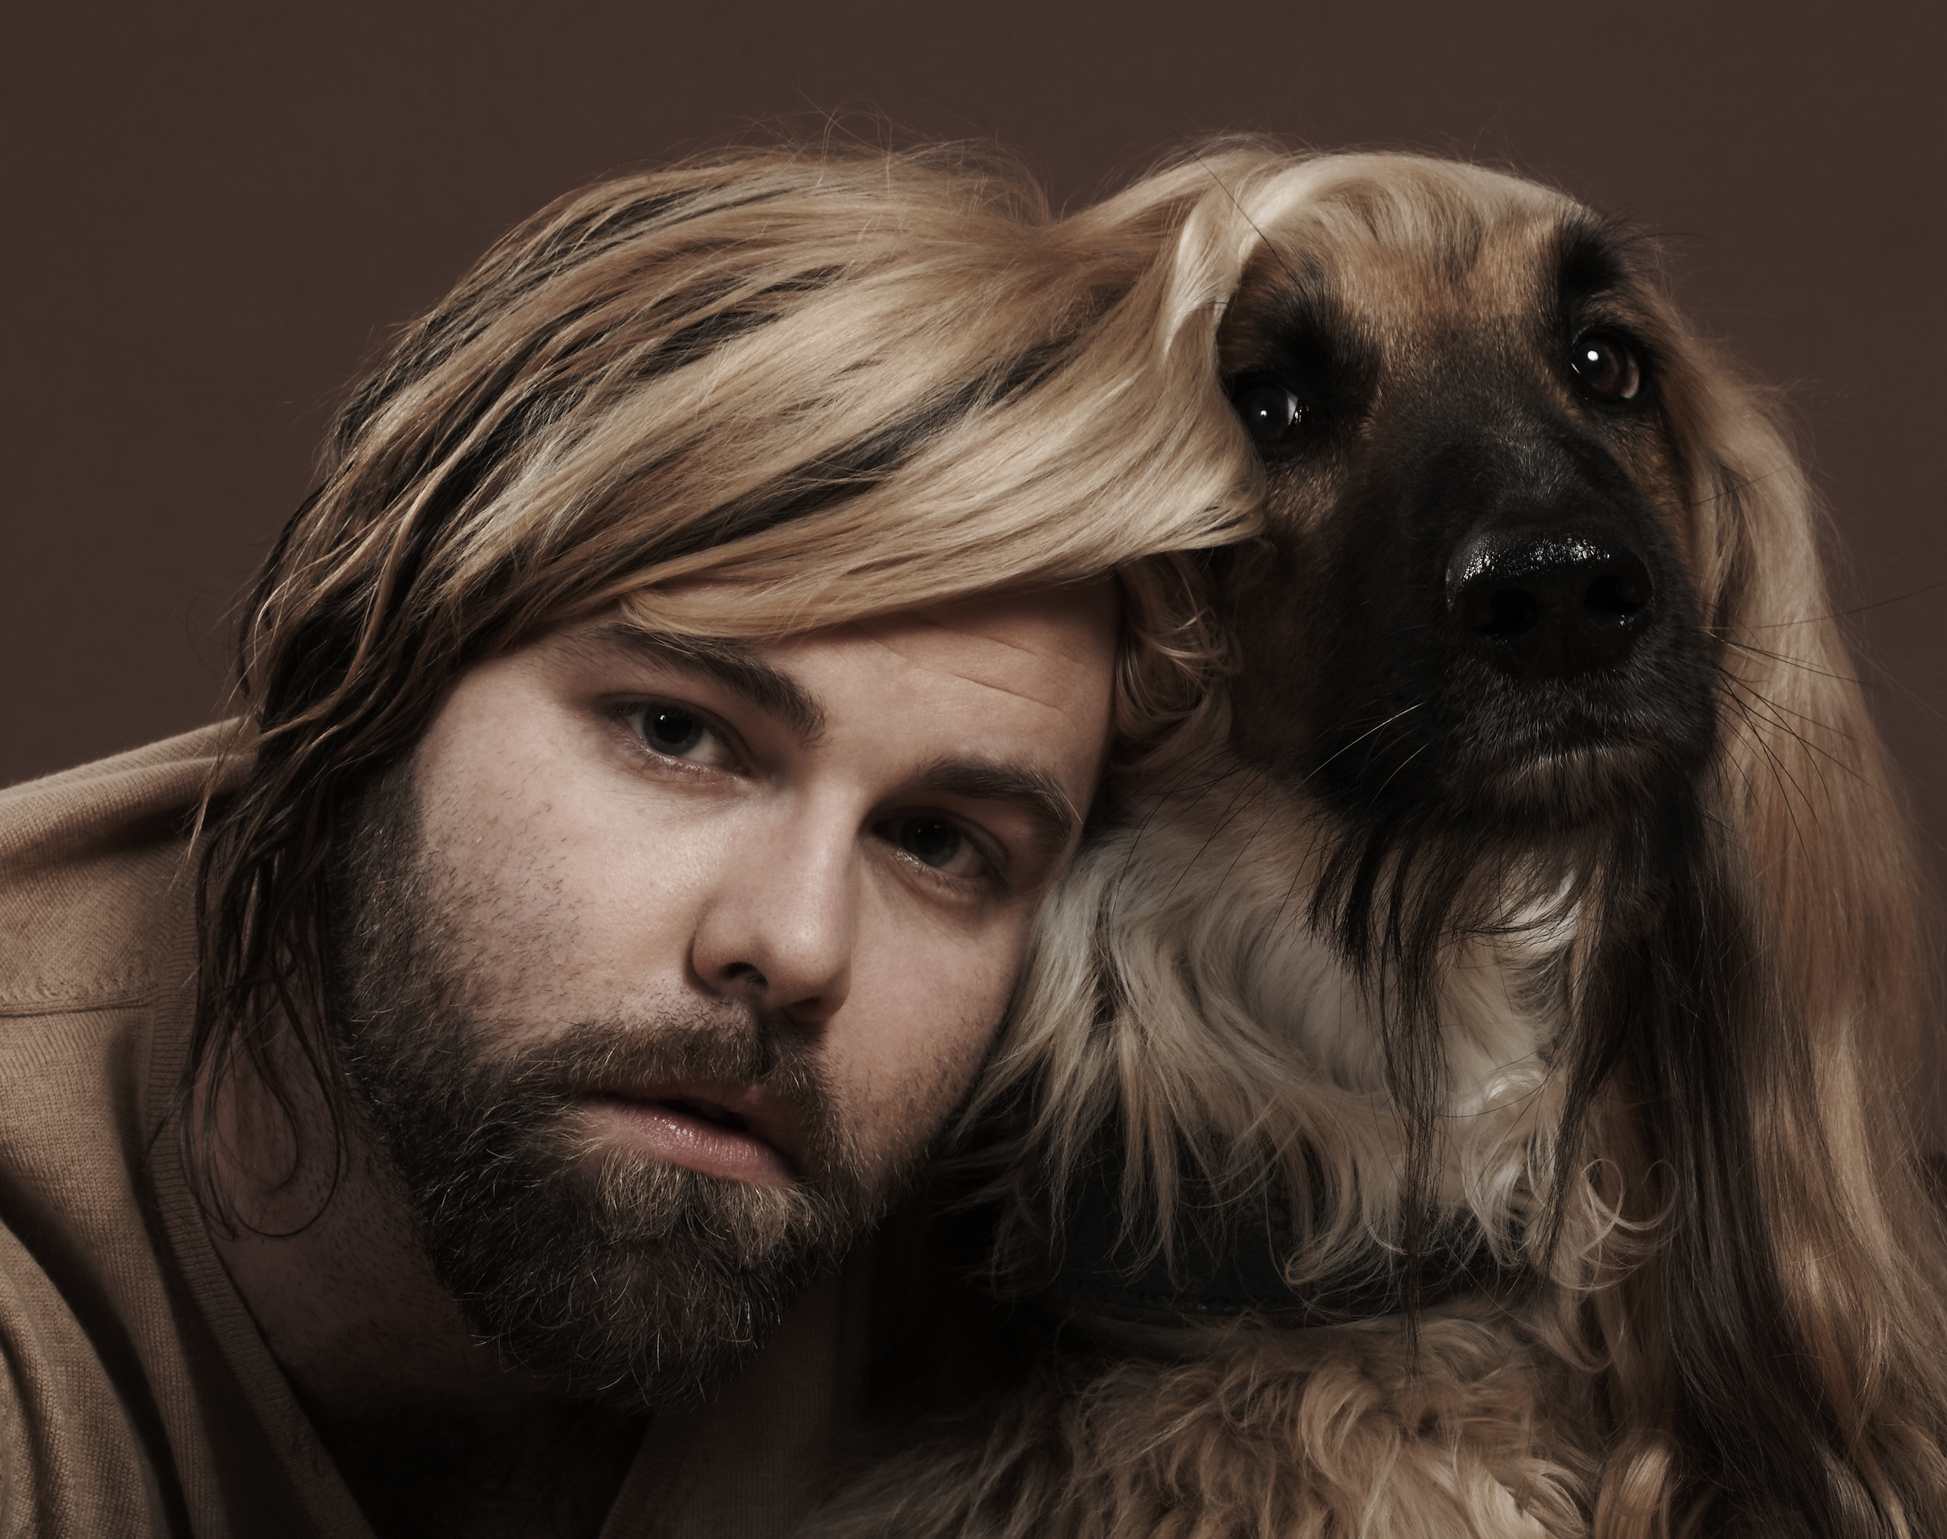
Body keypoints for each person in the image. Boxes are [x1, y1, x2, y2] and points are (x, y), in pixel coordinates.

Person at [0, 146, 1255, 1538]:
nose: (791, 945)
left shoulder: (1036, 1255)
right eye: (675, 732)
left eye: (936, 841)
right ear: (369, 678)